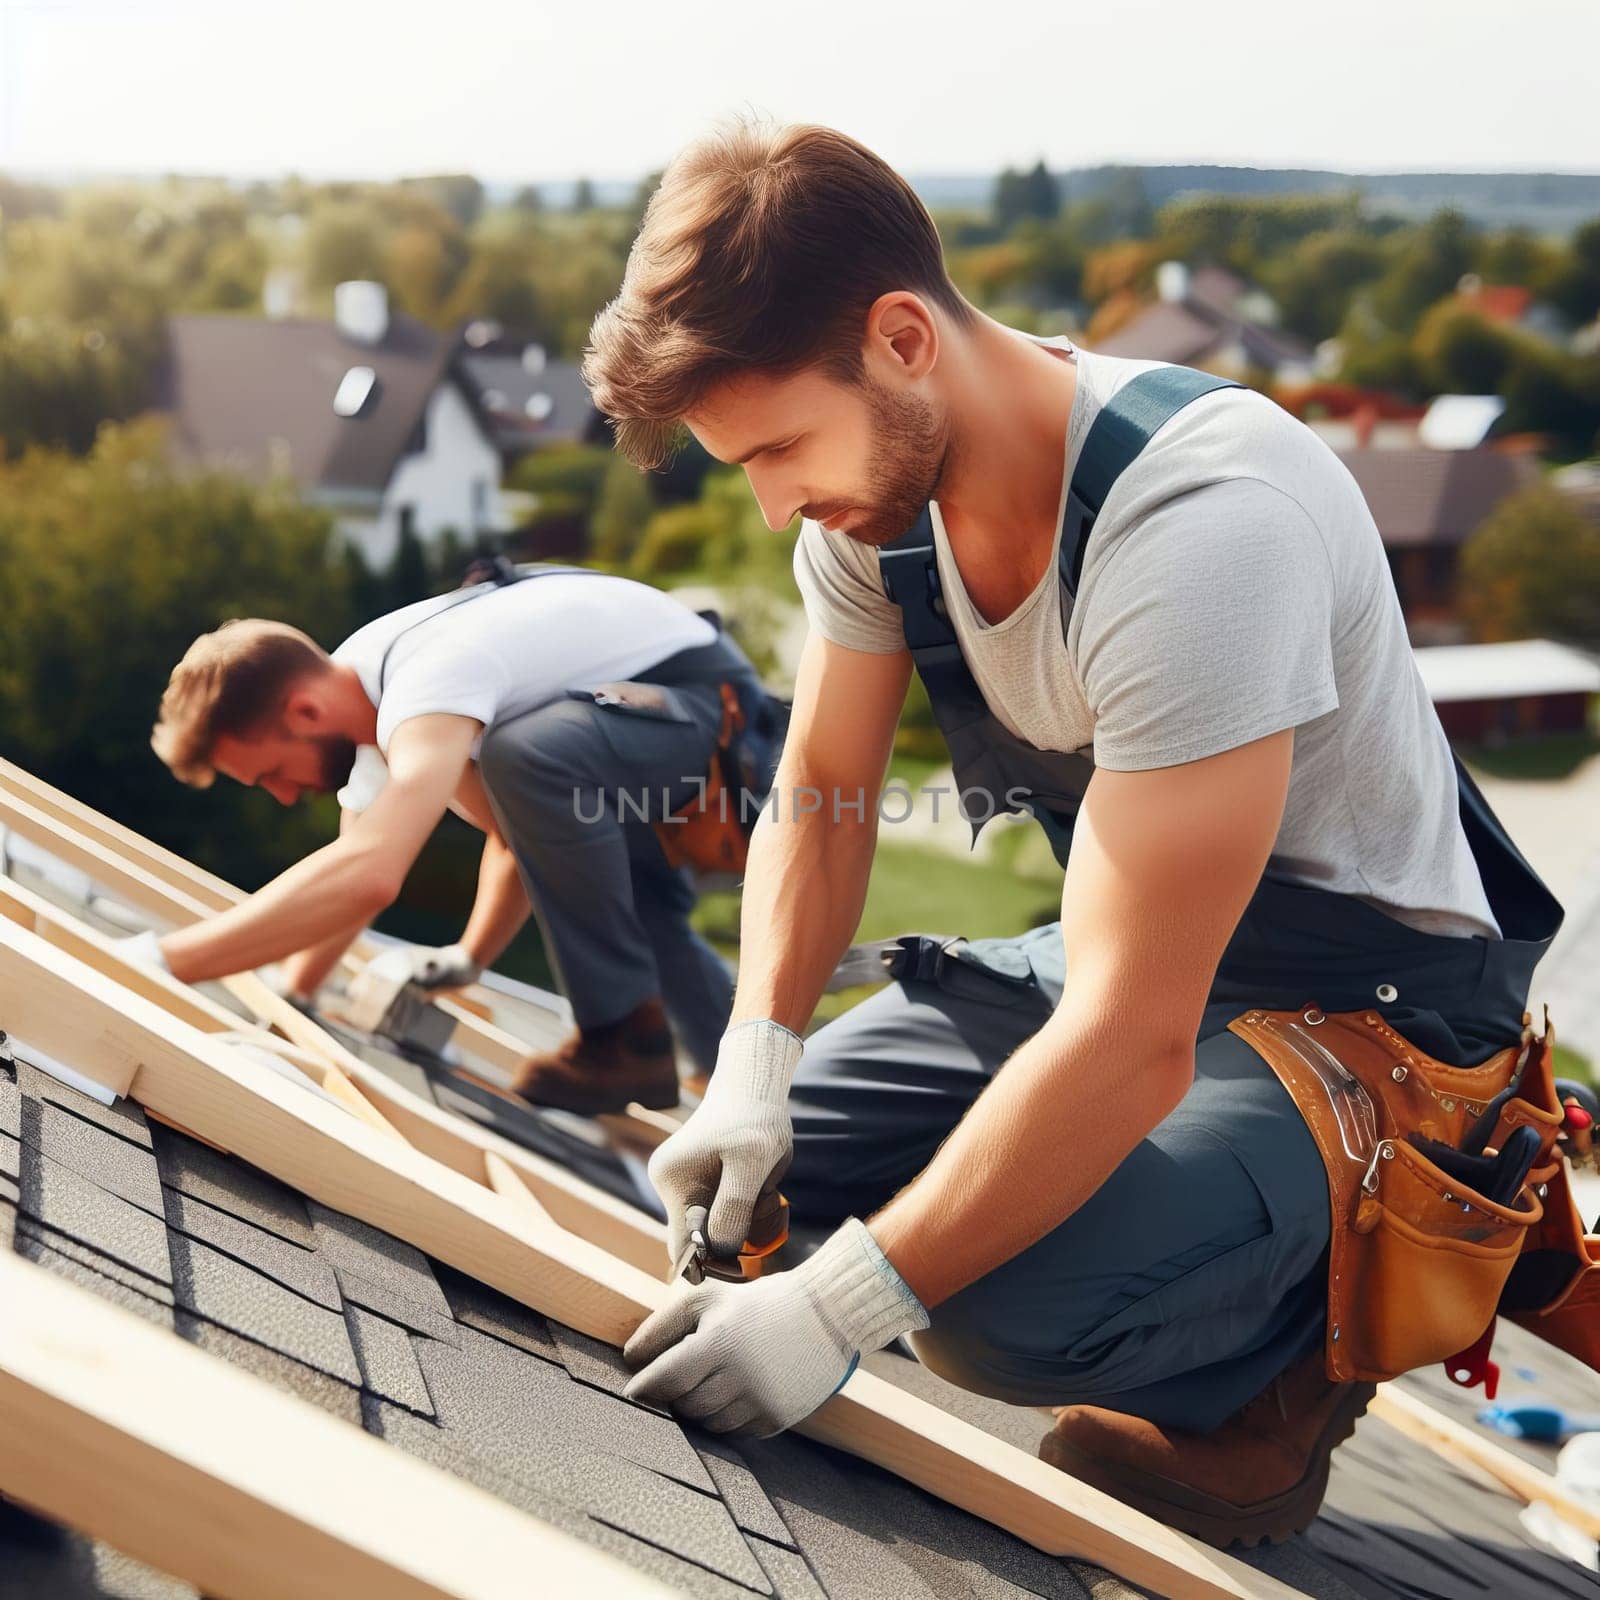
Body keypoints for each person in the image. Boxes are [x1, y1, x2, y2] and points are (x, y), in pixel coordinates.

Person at [583, 117, 1566, 1544]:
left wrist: (837, 1313)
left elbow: (1129, 1036)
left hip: (1364, 1011)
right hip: (1149, 955)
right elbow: (825, 792)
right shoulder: (875, 511)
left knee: (980, 1315)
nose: (776, 499)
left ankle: (1281, 1374)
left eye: (783, 444)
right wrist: (752, 1066)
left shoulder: (1201, 522)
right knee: (788, 1182)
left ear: (905, 337)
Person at [132, 565, 783, 1113]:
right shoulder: (361, 684)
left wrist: (165, 962)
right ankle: (766, 1103)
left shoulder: (424, 684)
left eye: (271, 773)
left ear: (304, 712)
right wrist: (293, 996)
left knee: (522, 756)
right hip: (632, 728)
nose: (280, 795)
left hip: (712, 715)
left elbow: (371, 872)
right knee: (633, 903)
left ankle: (623, 1040)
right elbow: (368, 868)